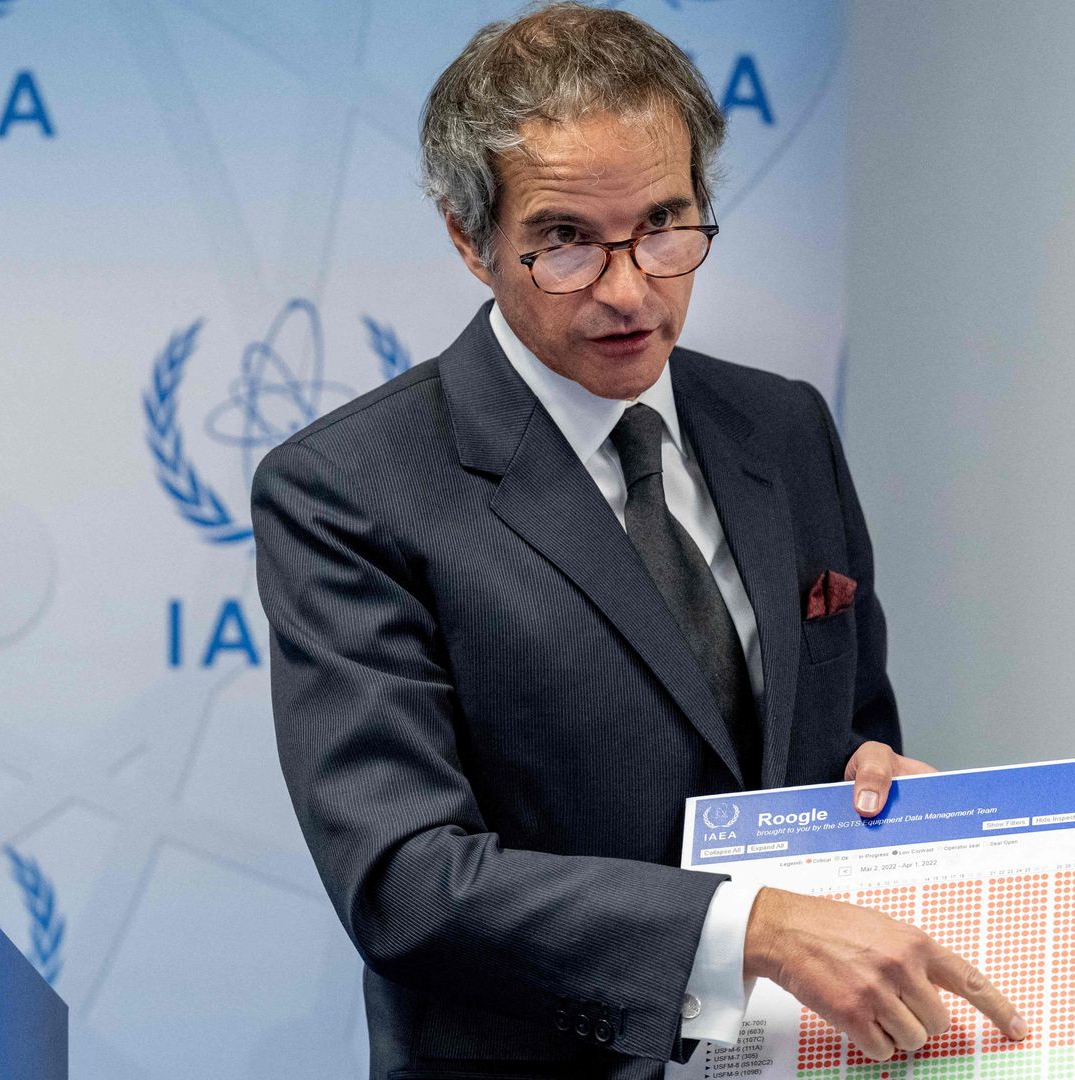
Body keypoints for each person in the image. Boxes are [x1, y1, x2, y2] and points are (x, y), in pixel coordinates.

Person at [251, 6, 1025, 1078]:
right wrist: (750, 928)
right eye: (566, 241)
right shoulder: (348, 488)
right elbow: (405, 881)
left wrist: (869, 784)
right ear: (470, 241)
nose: (629, 288)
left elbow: (845, 733)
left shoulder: (784, 427)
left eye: (666, 223)